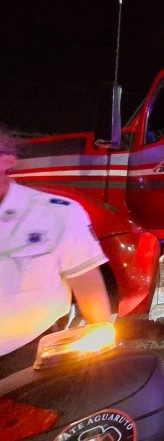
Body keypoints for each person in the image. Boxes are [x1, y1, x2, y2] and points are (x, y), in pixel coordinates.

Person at [0, 125, 111, 375]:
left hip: (28, 356)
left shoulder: (57, 213)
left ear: (7, 161)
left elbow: (88, 288)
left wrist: (100, 354)